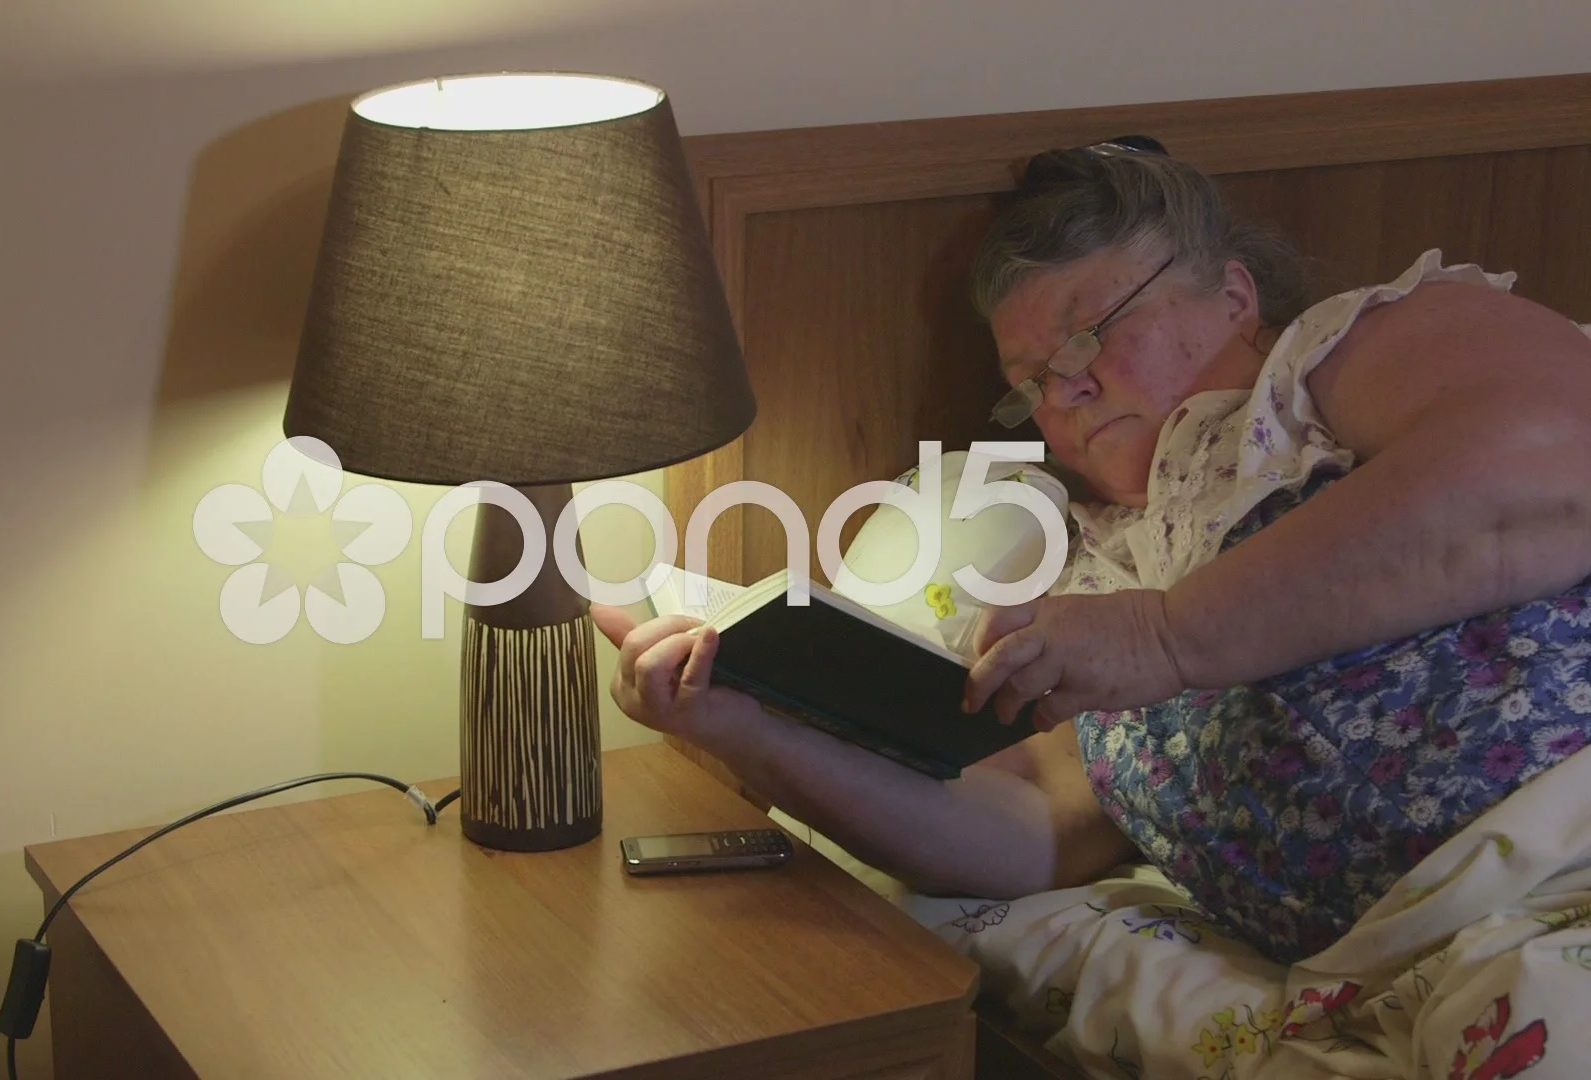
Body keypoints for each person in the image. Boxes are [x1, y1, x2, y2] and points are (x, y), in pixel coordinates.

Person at [593, 138, 1591, 964]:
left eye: (1092, 333)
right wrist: (746, 732)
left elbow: (1555, 469)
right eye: (1028, 382)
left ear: (1234, 295)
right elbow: (1030, 836)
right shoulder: (1083, 587)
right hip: (1438, 957)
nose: (1063, 391)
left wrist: (1171, 635)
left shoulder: (1340, 357)